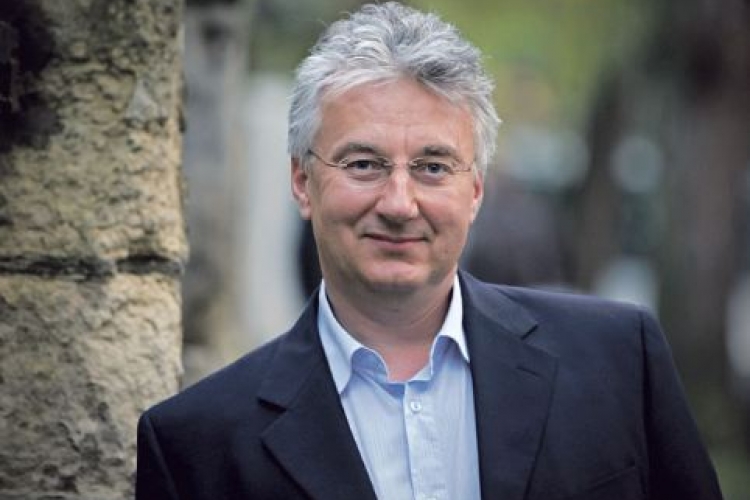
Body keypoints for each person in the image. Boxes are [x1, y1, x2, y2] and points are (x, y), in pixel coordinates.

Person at [136, 3, 723, 499]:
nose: (399, 202)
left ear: (476, 189)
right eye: (363, 164)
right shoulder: (196, 445)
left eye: (433, 167)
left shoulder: (618, 362)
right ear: (301, 181)